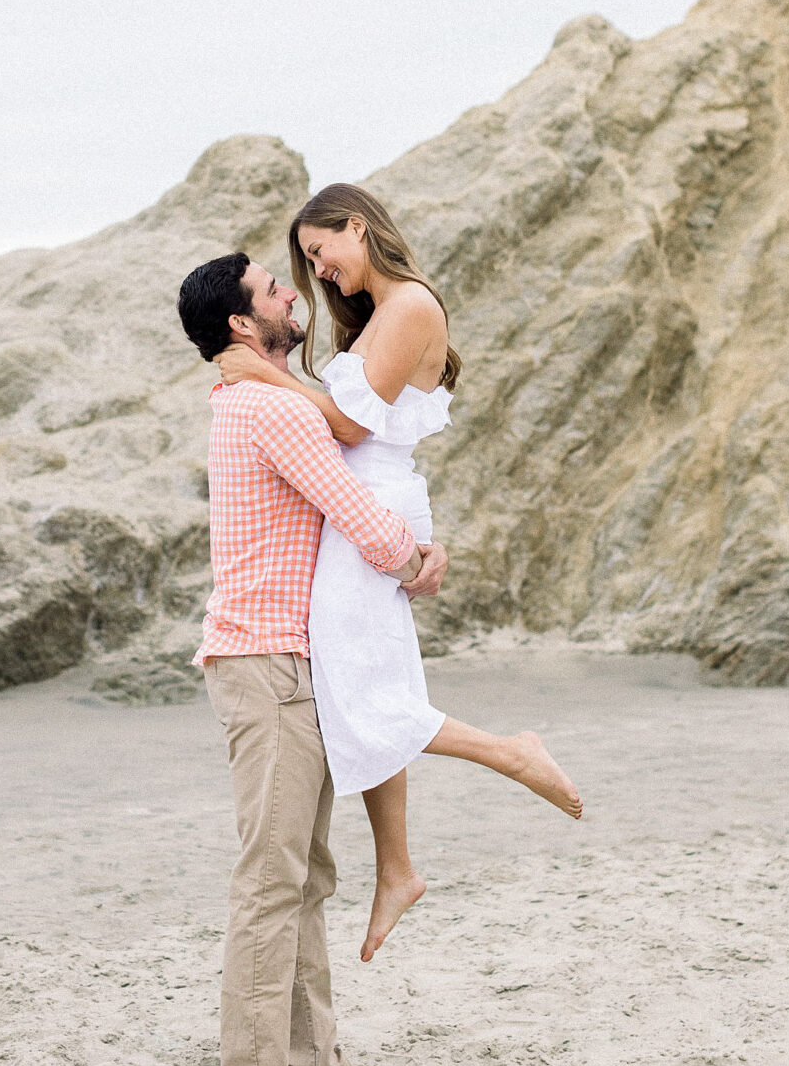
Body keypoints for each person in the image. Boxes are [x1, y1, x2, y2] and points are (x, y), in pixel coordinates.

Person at [215, 184, 583, 965]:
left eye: (323, 251)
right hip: (373, 508)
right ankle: (396, 869)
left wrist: (258, 370)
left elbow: (350, 426)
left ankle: (511, 754)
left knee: (363, 692)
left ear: (358, 225)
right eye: (308, 263)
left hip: (370, 509)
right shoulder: (383, 314)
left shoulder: (410, 302)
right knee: (366, 690)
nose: (320, 271)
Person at [177, 250, 448, 1066]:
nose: (295, 292)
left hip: (286, 660)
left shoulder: (247, 398)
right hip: (266, 662)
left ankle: (310, 1055)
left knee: (305, 870)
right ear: (240, 324)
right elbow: (356, 510)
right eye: (273, 290)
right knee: (272, 872)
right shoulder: (267, 406)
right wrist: (417, 560)